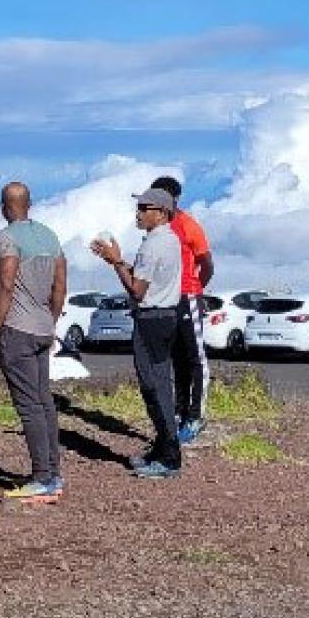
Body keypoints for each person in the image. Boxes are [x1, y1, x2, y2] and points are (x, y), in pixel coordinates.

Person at [90, 187, 184, 478]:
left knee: (154, 386)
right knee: (158, 384)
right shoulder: (170, 241)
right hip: (167, 316)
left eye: (144, 208)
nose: (139, 213)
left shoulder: (153, 245)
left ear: (161, 212)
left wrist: (117, 261)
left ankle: (169, 456)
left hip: (151, 319)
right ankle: (162, 447)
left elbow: (138, 290)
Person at [0, 182, 67, 501]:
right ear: (29, 204)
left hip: (18, 328)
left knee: (29, 405)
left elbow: (6, 283)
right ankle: (53, 473)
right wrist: (51, 319)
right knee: (44, 401)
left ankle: (42, 476)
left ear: (4, 207)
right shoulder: (50, 236)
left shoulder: (6, 237)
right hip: (43, 327)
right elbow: (60, 285)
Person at [151, 176, 214, 445]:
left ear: (174, 198)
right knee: (176, 359)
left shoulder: (188, 225)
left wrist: (196, 289)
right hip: (167, 299)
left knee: (195, 358)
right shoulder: (157, 228)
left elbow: (207, 262)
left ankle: (196, 416)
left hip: (188, 297)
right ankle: (179, 412)